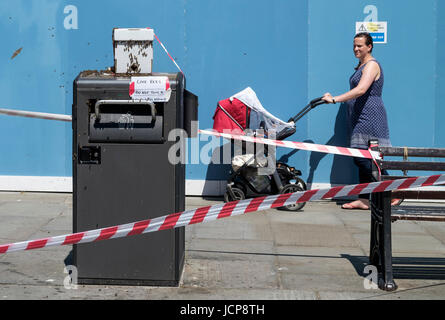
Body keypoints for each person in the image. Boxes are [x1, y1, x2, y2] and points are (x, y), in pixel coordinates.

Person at [322, 32, 399, 210]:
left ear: (369, 46)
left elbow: (361, 89)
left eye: (360, 46)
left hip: (371, 116)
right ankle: (365, 199)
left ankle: (393, 190)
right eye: (354, 45)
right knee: (363, 156)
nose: (356, 49)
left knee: (363, 158)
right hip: (359, 117)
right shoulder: (361, 65)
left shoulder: (372, 65)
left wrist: (335, 99)